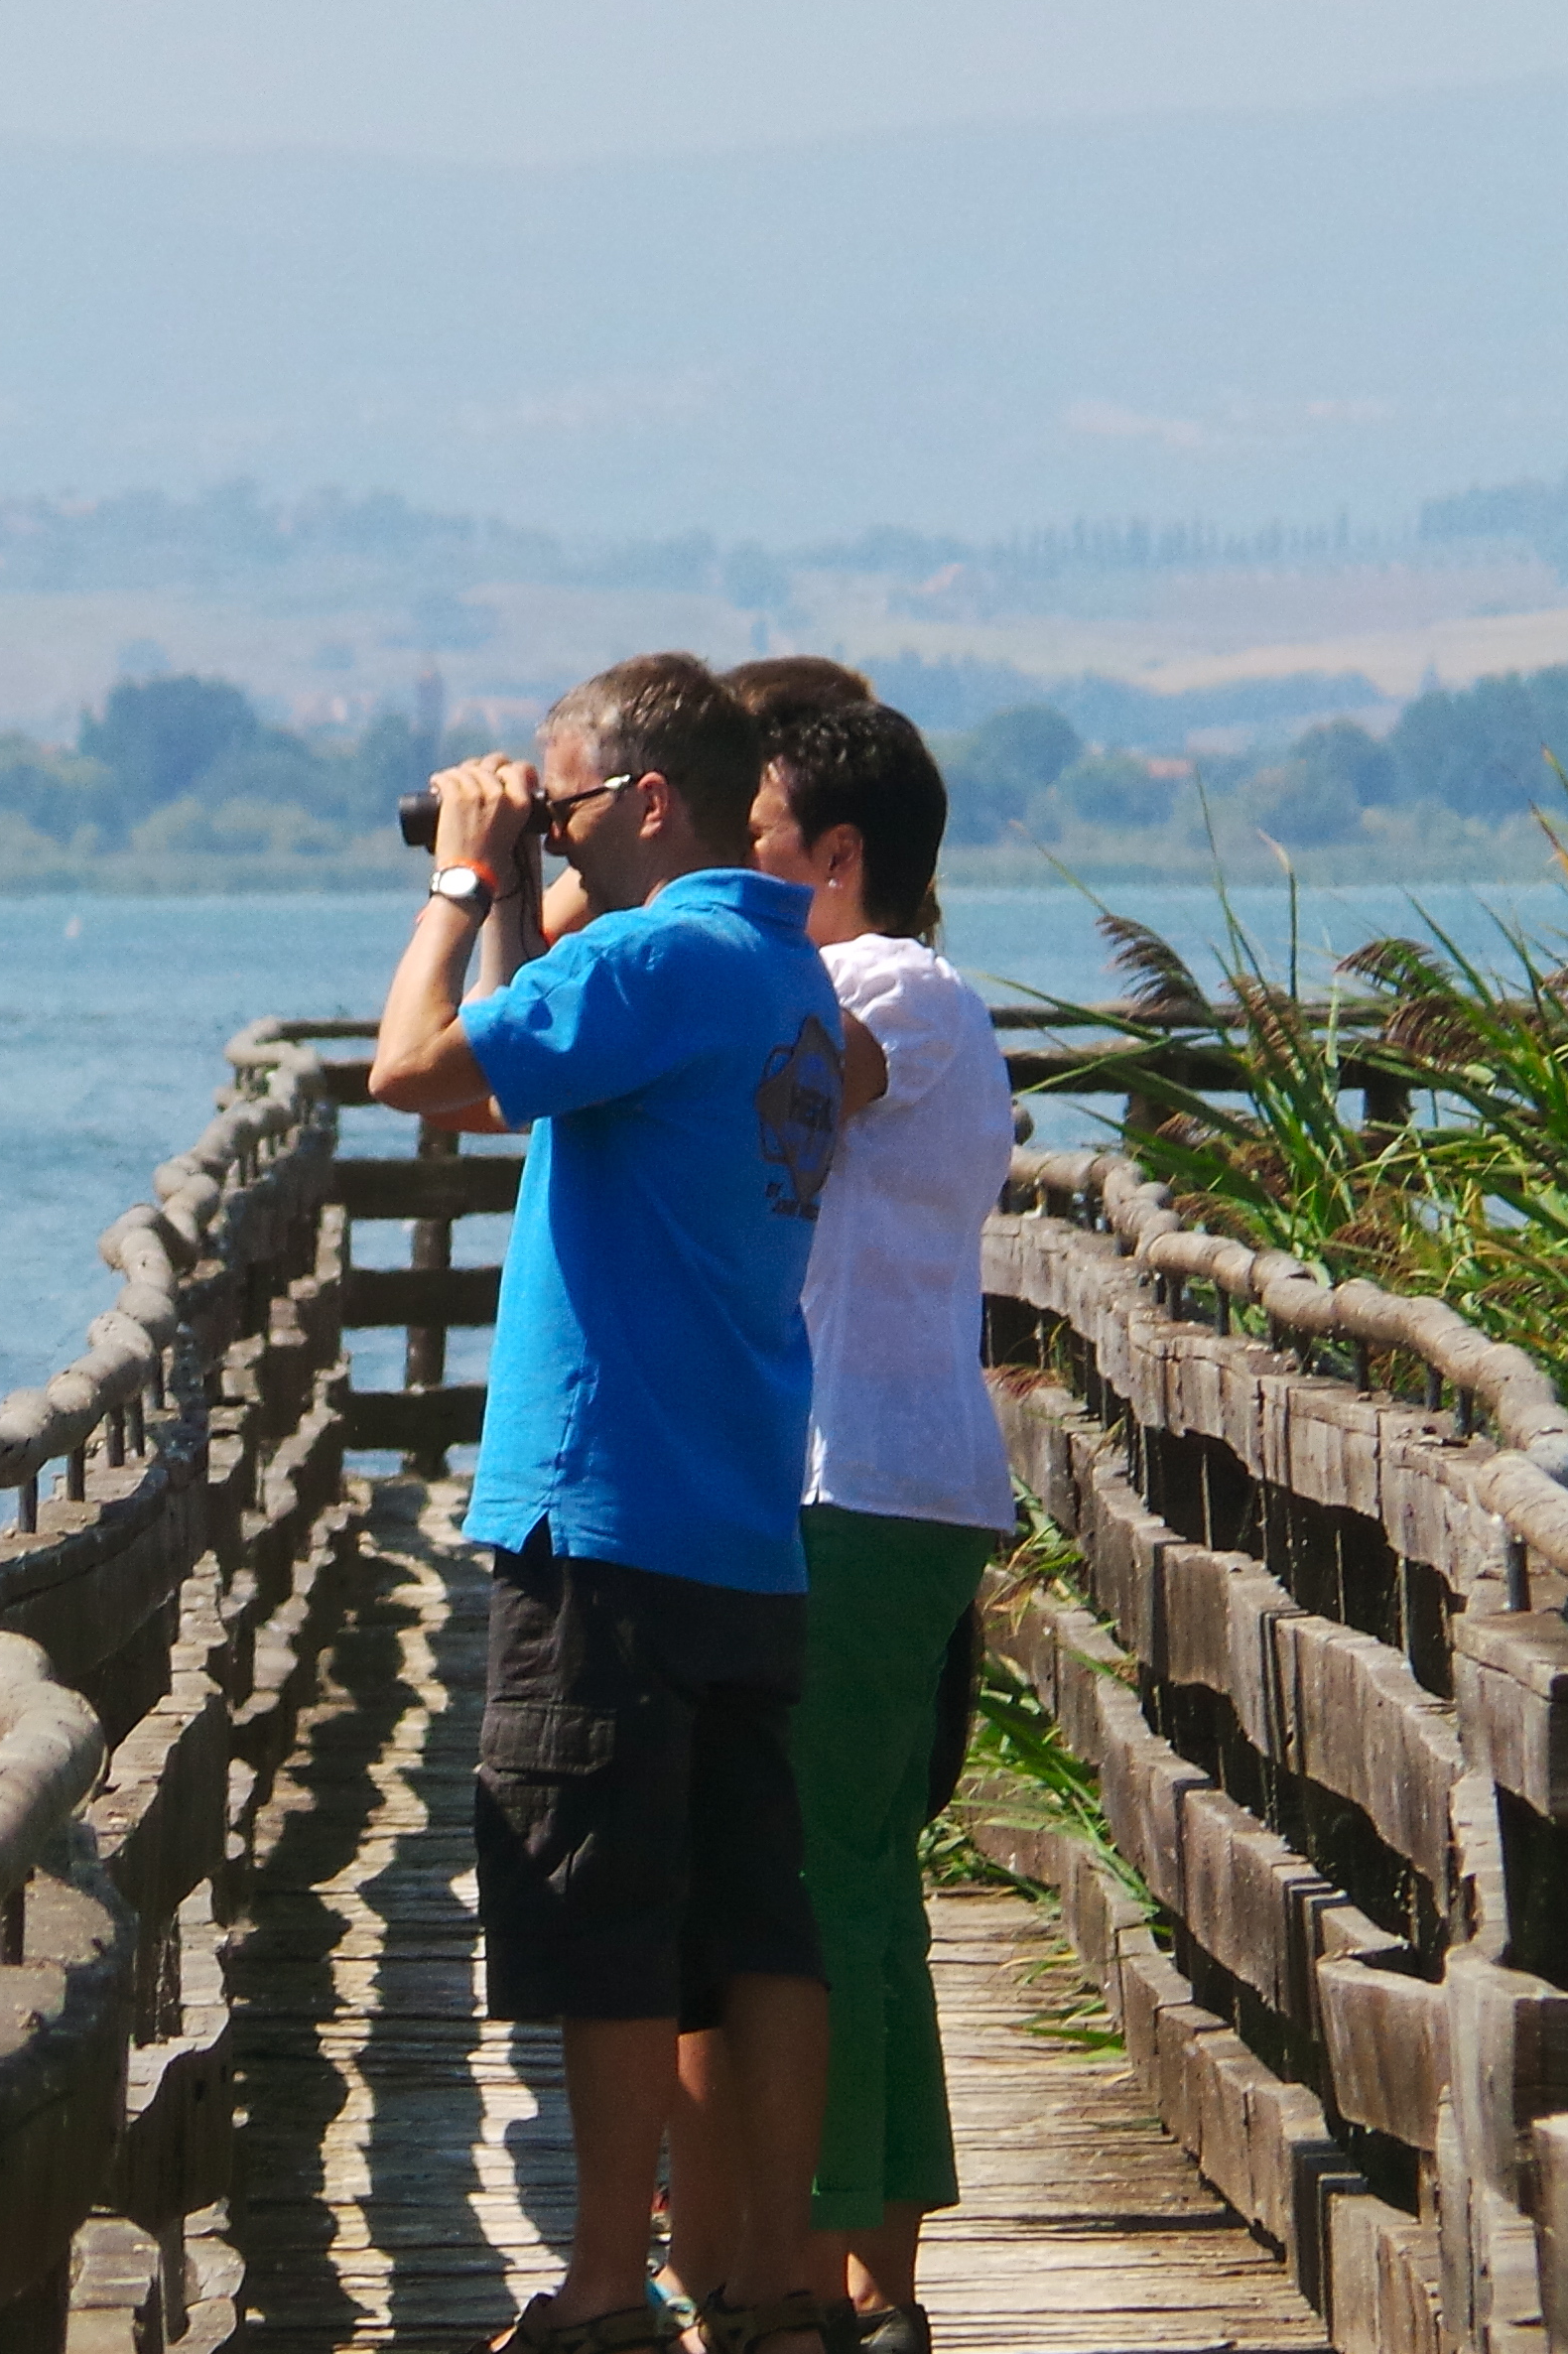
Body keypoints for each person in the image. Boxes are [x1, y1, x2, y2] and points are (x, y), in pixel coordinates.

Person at [363, 653, 863, 2354]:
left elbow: (415, 1072)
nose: (544, 825)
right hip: (739, 1524)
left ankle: (598, 2292)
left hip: (605, 1516)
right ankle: (781, 2285)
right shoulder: (779, 974)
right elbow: (551, 1068)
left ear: (647, 800)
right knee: (756, 1921)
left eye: (563, 799)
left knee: (602, 1914)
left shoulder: (656, 960)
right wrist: (527, 896)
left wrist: (456, 885)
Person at [661, 696, 1011, 2354]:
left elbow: (787, 1070)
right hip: (857, 1482)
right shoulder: (869, 980)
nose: (737, 873)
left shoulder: (900, 988)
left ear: (840, 857)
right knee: (849, 1875)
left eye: (756, 842)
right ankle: (872, 2271)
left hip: (863, 1483)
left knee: (815, 1881)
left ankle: (817, 2264)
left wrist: (650, 920)